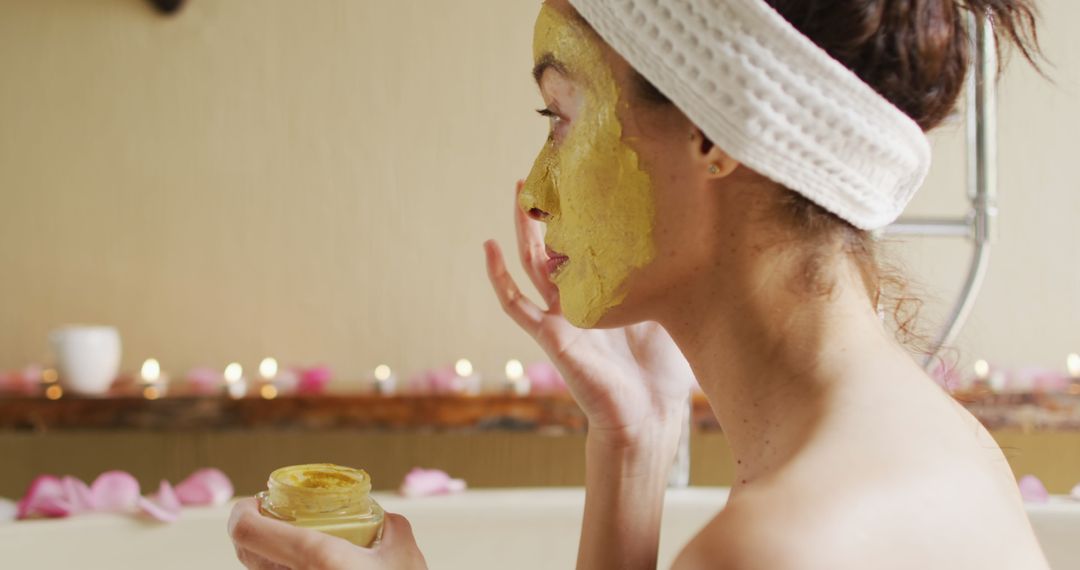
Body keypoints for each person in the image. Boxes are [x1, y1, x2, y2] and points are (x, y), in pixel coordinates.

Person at [229, 0, 1047, 568]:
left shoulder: (774, 549)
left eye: (561, 116)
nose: (536, 192)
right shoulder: (940, 446)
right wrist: (635, 440)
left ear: (712, 132)